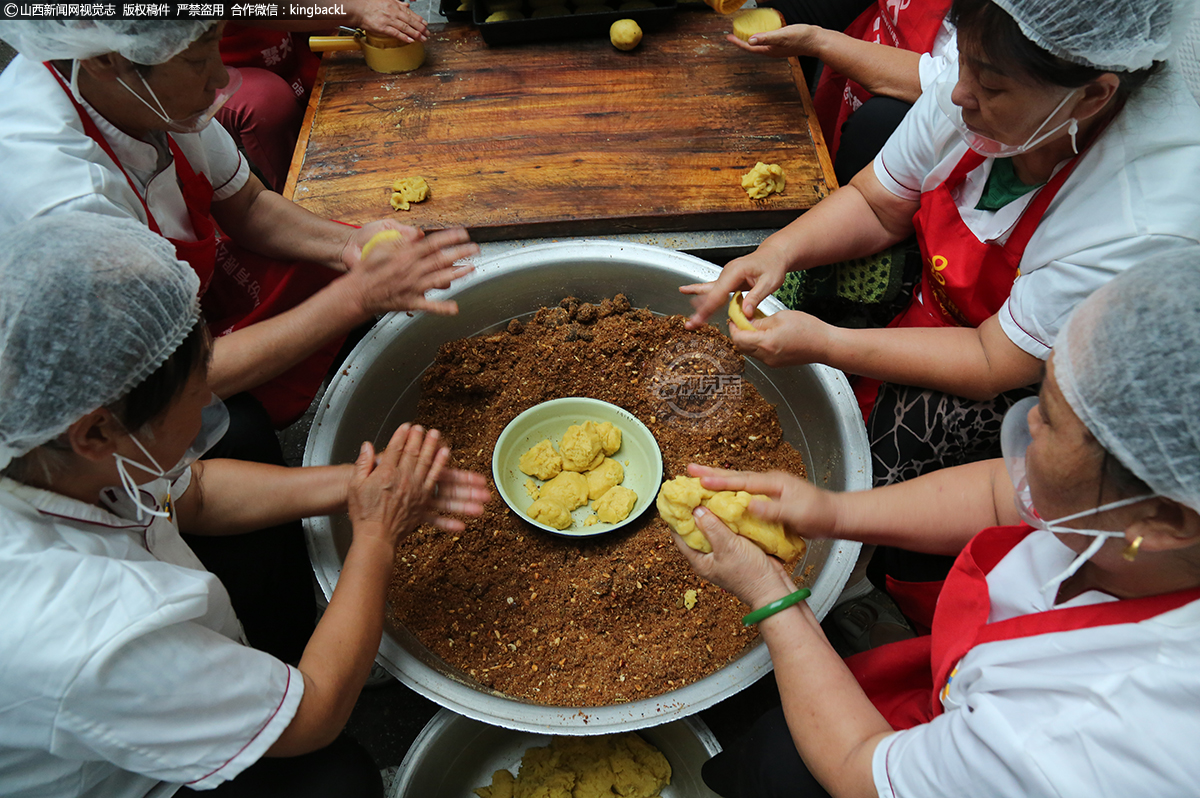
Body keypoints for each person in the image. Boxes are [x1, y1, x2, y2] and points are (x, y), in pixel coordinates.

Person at [673, 249, 1200, 798]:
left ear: (1161, 517)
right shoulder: (1131, 519)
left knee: (780, 767)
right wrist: (833, 511)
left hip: (891, 768)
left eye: (1053, 422)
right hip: (950, 686)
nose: (1030, 424)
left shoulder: (1074, 733)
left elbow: (860, 772)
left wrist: (770, 591)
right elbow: (1005, 494)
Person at [0, 212, 491, 798]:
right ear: (96, 433)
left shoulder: (50, 444)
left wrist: (366, 484)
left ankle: (274, 663)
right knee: (337, 781)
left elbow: (195, 493)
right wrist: (377, 534)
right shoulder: (92, 631)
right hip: (116, 773)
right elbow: (314, 717)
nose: (210, 394)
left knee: (240, 434)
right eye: (194, 390)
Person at [684, 0, 1200, 513]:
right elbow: (878, 204)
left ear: (1092, 96)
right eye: (965, 64)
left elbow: (990, 359)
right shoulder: (984, 80)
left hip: (1012, 365)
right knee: (801, 281)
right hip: (938, 288)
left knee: (887, 455)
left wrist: (828, 343)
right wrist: (776, 252)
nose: (958, 94)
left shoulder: (1138, 219)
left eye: (991, 87)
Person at [219, 0, 431, 191]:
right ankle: (301, 197)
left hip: (278, 42)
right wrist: (357, 10)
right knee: (268, 104)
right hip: (212, 70)